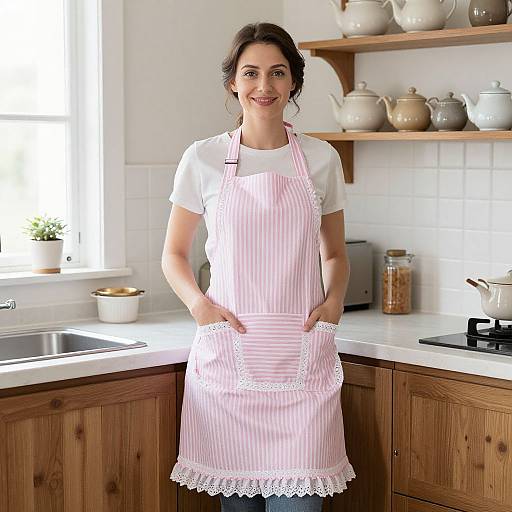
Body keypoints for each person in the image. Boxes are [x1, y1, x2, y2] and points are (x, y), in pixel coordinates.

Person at [162, 22, 355, 512]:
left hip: (301, 364)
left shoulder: (320, 159)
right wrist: (198, 305)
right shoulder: (203, 158)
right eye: (251, 73)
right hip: (230, 364)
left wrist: (332, 303)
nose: (263, 86)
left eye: (277, 73)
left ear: (293, 83)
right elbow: (174, 254)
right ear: (233, 81)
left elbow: (333, 252)